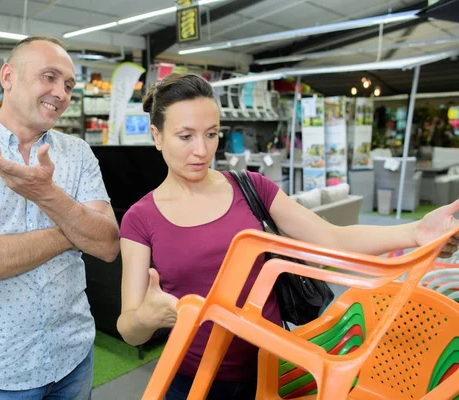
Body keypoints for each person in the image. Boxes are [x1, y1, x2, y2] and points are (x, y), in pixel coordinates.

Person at [116, 73, 459, 400]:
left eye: (212, 133)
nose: (202, 151)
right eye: (185, 136)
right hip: (193, 381)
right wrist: (147, 318)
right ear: (157, 135)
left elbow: (331, 238)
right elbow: (128, 328)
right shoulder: (140, 219)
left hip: (275, 370)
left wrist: (415, 231)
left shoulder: (251, 188)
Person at [0, 36, 120, 399]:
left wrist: (47, 194)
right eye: (49, 77)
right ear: (8, 76)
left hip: (73, 353)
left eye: (68, 84)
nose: (60, 92)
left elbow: (107, 244)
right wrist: (72, 229)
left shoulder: (76, 152)